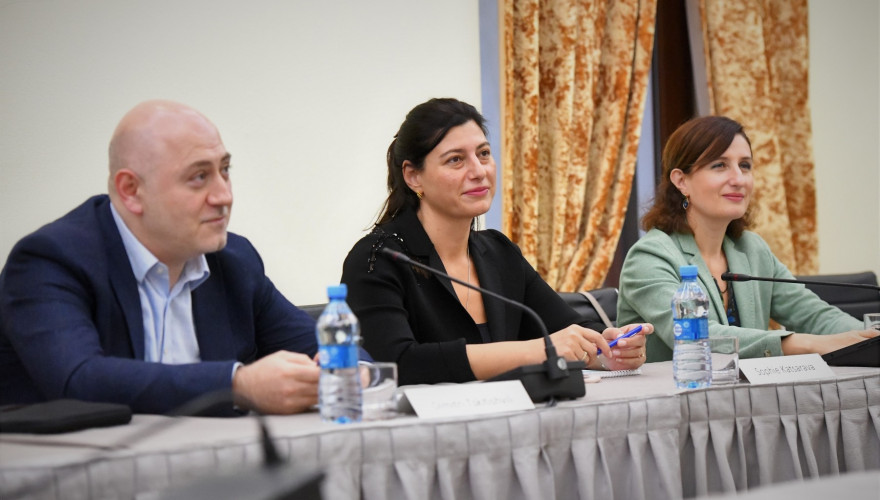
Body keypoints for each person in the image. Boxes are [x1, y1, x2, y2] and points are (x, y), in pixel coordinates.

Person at [0, 100, 366, 415]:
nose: (223, 196)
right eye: (199, 177)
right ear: (131, 191)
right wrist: (237, 384)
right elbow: (79, 379)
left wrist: (354, 370)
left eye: (225, 170)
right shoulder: (51, 260)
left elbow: (338, 350)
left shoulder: (234, 261)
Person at [341, 98, 652, 386]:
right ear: (413, 177)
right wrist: (540, 350)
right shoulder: (377, 259)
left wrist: (610, 347)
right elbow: (396, 365)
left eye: (484, 154)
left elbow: (564, 327)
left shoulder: (498, 252)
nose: (479, 172)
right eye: (455, 160)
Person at [617, 115, 877, 361]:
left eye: (745, 165)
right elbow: (696, 338)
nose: (738, 179)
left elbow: (814, 316)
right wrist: (803, 344)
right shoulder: (649, 257)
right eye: (719, 165)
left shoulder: (752, 249)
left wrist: (870, 339)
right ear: (681, 181)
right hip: (677, 402)